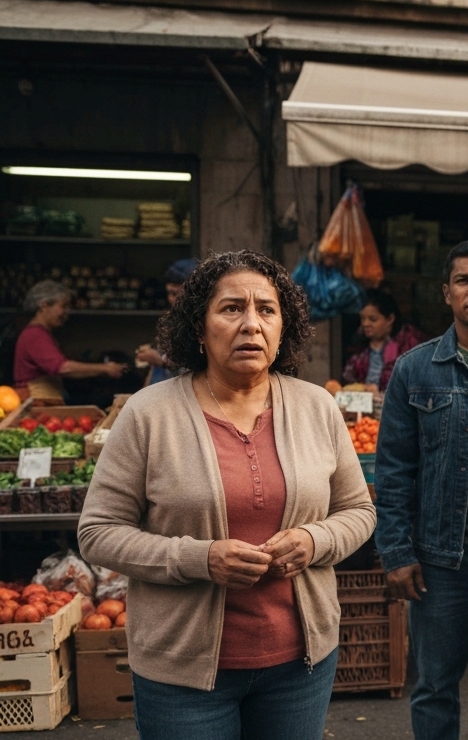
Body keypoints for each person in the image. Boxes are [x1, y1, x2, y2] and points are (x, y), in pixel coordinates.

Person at [77, 250, 377, 740]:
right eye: (231, 308)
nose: (251, 324)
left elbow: (358, 511)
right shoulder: (149, 414)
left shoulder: (316, 407)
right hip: (182, 674)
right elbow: (99, 534)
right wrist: (201, 558)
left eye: (266, 310)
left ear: (284, 329)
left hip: (299, 665)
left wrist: (314, 540)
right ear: (199, 328)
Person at [375, 240, 468, 740]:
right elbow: (394, 468)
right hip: (442, 559)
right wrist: (396, 551)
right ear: (446, 293)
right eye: (464, 281)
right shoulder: (416, 369)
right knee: (435, 686)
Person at [13, 280, 125, 403]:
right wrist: (105, 369)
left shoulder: (41, 333)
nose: (66, 312)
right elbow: (63, 368)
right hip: (37, 403)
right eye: (63, 306)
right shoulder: (35, 335)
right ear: (44, 305)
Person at [343, 289, 425, 393]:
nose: (365, 324)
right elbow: (349, 377)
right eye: (363, 319)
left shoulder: (408, 344)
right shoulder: (359, 346)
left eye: (373, 319)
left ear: (390, 319)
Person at [137, 257, 199, 386]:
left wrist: (161, 361)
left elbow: (201, 364)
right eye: (169, 293)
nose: (172, 299)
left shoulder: (202, 323)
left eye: (176, 294)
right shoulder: (171, 320)